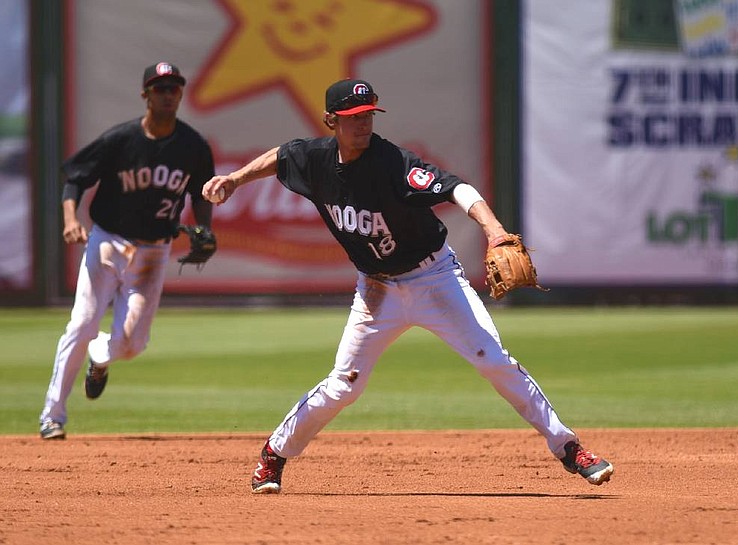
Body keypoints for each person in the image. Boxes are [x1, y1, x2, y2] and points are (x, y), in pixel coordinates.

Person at [202, 79, 613, 493]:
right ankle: (274, 455)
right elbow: (282, 156)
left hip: (435, 278)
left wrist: (494, 230)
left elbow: (457, 188)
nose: (363, 124)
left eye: (368, 115)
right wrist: (234, 180)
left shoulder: (393, 163)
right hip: (377, 291)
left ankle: (569, 448)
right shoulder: (314, 159)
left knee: (494, 360)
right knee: (344, 386)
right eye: (352, 117)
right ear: (331, 121)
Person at [39, 62, 215, 440]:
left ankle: (100, 358)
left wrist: (204, 227)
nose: (167, 94)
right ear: (145, 95)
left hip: (154, 250)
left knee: (133, 345)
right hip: (108, 242)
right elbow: (76, 179)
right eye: (159, 88)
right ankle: (53, 414)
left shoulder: (193, 146)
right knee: (83, 322)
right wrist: (70, 218)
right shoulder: (120, 140)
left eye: (173, 88)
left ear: (180, 94)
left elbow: (200, 192)